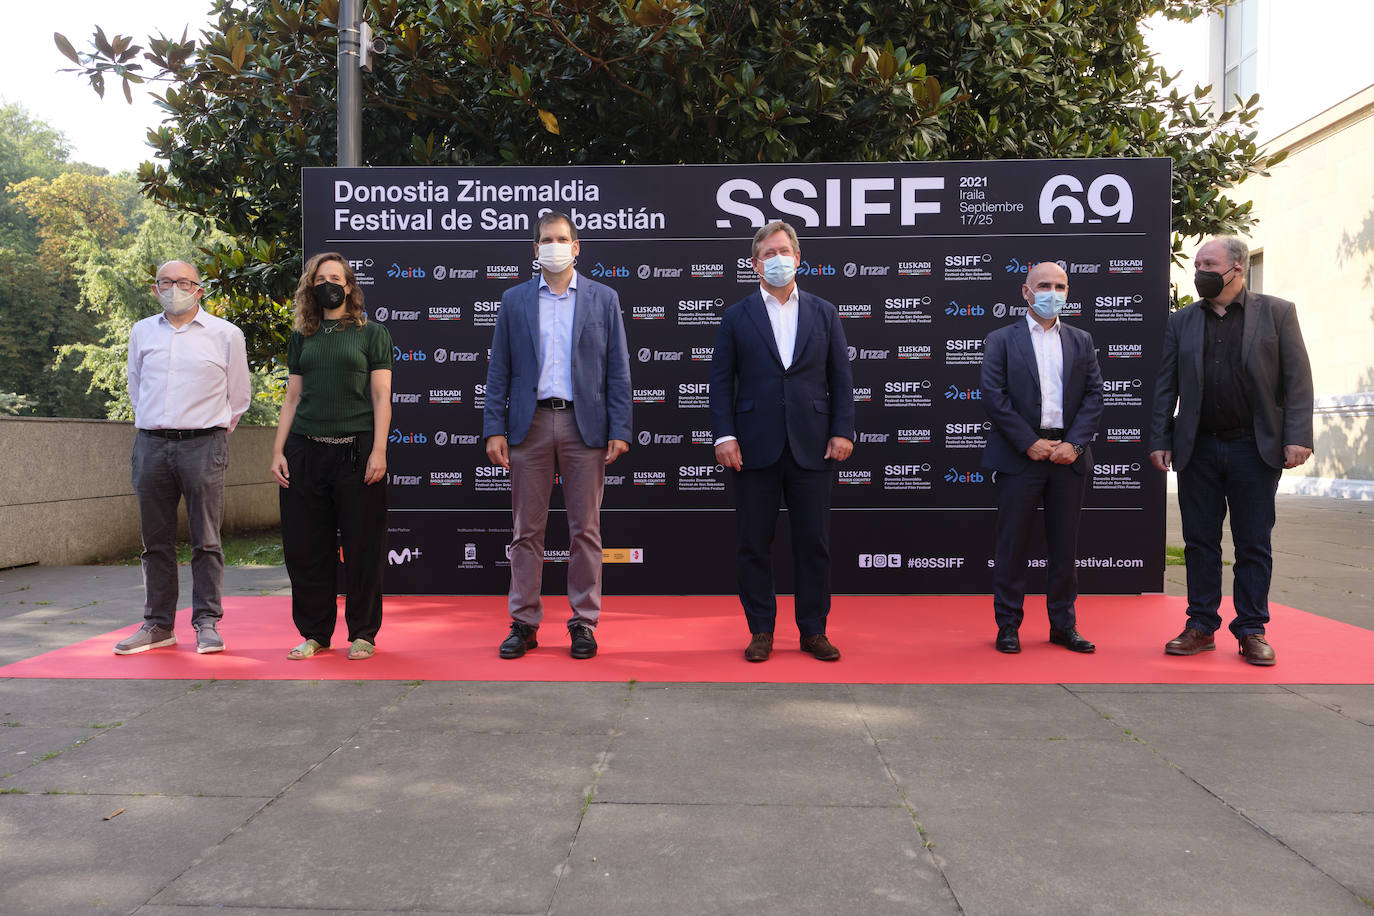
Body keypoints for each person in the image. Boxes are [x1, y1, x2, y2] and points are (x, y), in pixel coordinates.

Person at [1149, 236, 1314, 666]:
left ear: (1236, 268)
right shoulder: (1180, 321)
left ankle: (1252, 630)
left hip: (1253, 448)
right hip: (1197, 448)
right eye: (1197, 262)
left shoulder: (1278, 313)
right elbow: (1165, 386)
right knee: (1199, 542)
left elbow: (1297, 382)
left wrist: (1297, 436)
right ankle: (1201, 626)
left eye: (1208, 262)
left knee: (1253, 542)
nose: (1200, 269)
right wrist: (1160, 438)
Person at [483, 211, 633, 660]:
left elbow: (619, 370)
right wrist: (494, 428)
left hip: (582, 426)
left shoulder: (604, 299)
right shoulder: (514, 300)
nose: (554, 246)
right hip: (527, 427)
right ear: (535, 249)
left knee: (584, 530)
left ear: (576, 246)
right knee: (526, 531)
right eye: (546, 239)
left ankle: (583, 623)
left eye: (561, 239)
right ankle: (524, 622)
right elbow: (499, 372)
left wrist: (620, 427)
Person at [710, 220, 855, 662]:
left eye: (783, 251)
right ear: (754, 264)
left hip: (813, 444)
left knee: (814, 542)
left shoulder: (825, 312)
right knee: (754, 542)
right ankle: (761, 631)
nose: (777, 260)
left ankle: (813, 630)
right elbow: (720, 382)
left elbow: (840, 379)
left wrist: (842, 429)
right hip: (753, 446)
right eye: (768, 254)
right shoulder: (737, 316)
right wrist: (725, 435)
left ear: (799, 258)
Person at [115, 260, 251, 656]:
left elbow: (239, 396)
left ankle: (206, 623)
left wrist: (207, 431)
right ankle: (158, 625)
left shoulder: (226, 334)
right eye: (166, 282)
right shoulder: (141, 332)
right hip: (151, 445)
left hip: (204, 445)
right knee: (154, 542)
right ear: (155, 288)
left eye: (183, 282)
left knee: (206, 540)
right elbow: (136, 389)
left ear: (199, 289)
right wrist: (159, 425)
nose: (174, 287)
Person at [270, 253, 393, 661]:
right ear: (311, 288)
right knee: (306, 549)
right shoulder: (300, 336)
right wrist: (278, 451)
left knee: (362, 549)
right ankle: (315, 633)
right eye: (320, 279)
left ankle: (363, 633)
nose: (328, 284)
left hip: (357, 453)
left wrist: (379, 450)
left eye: (335, 278)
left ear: (350, 285)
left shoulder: (372, 334)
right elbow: (291, 398)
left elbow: (381, 396)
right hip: (304, 451)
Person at [980, 261, 1104, 655]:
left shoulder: (1082, 340)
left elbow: (1093, 397)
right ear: (1026, 292)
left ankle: (1063, 625)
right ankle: (1008, 626)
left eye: (1061, 286)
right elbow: (994, 397)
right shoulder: (1001, 339)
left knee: (1065, 548)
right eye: (1045, 285)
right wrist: (1028, 442)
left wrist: (1075, 444)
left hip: (1068, 458)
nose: (1053, 293)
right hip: (1021, 457)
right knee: (1012, 545)